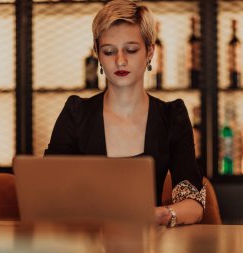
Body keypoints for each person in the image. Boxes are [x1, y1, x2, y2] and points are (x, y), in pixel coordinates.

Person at [45, 0, 205, 227]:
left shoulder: (172, 117)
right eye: (109, 51)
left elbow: (193, 202)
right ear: (98, 55)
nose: (120, 60)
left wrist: (160, 214)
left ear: (150, 51)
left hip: (147, 243)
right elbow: (47, 191)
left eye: (131, 49)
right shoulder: (75, 113)